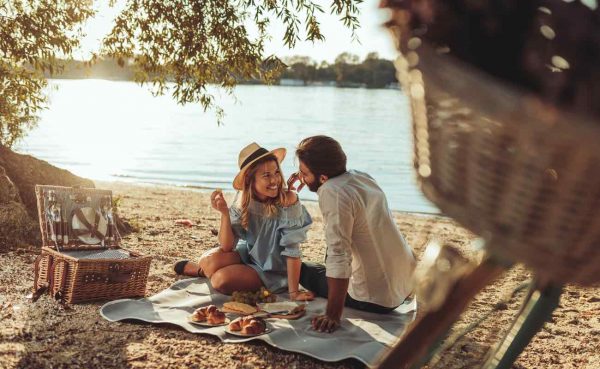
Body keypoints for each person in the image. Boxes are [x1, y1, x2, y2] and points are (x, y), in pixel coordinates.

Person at [287, 135, 416, 333]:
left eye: (304, 173)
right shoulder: (360, 177)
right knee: (320, 264)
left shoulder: (333, 192)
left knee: (301, 271)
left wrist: (332, 314)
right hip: (405, 284)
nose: (301, 177)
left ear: (323, 177)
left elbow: (339, 255)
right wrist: (307, 174)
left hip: (375, 299)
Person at [174, 142, 314, 301]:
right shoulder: (242, 199)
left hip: (273, 270)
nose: (275, 180)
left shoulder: (288, 200)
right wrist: (225, 214)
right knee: (207, 261)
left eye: (276, 172)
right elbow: (227, 246)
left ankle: (206, 272)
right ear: (249, 180)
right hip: (249, 255)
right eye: (266, 175)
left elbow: (293, 250)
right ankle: (203, 270)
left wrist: (293, 292)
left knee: (220, 280)